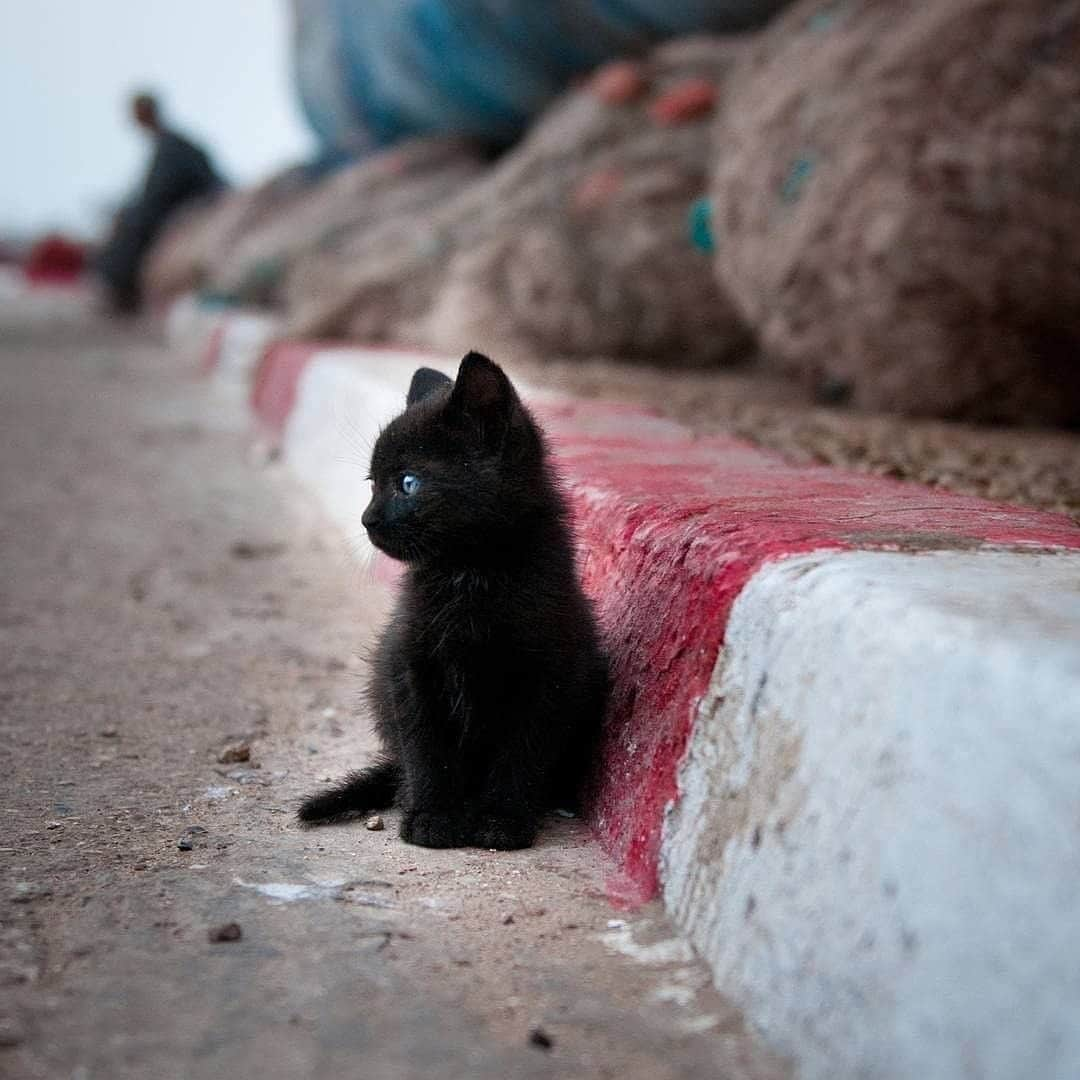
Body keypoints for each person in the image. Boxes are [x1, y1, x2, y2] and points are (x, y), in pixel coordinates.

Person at [97, 92, 225, 313]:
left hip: (190, 206)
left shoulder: (172, 146)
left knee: (133, 226)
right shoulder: (168, 144)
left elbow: (158, 194)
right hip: (181, 204)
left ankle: (123, 292)